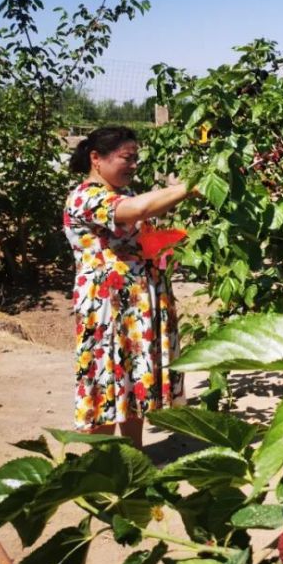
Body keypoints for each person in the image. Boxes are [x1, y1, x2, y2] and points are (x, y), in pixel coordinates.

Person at [63, 125, 195, 447]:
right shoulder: (86, 198)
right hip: (107, 306)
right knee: (106, 383)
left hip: (137, 302)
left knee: (134, 382)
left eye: (136, 157)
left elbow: (143, 220)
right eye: (127, 157)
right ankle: (104, 468)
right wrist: (193, 186)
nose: (134, 165)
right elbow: (139, 211)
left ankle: (134, 456)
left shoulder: (126, 194)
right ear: (96, 158)